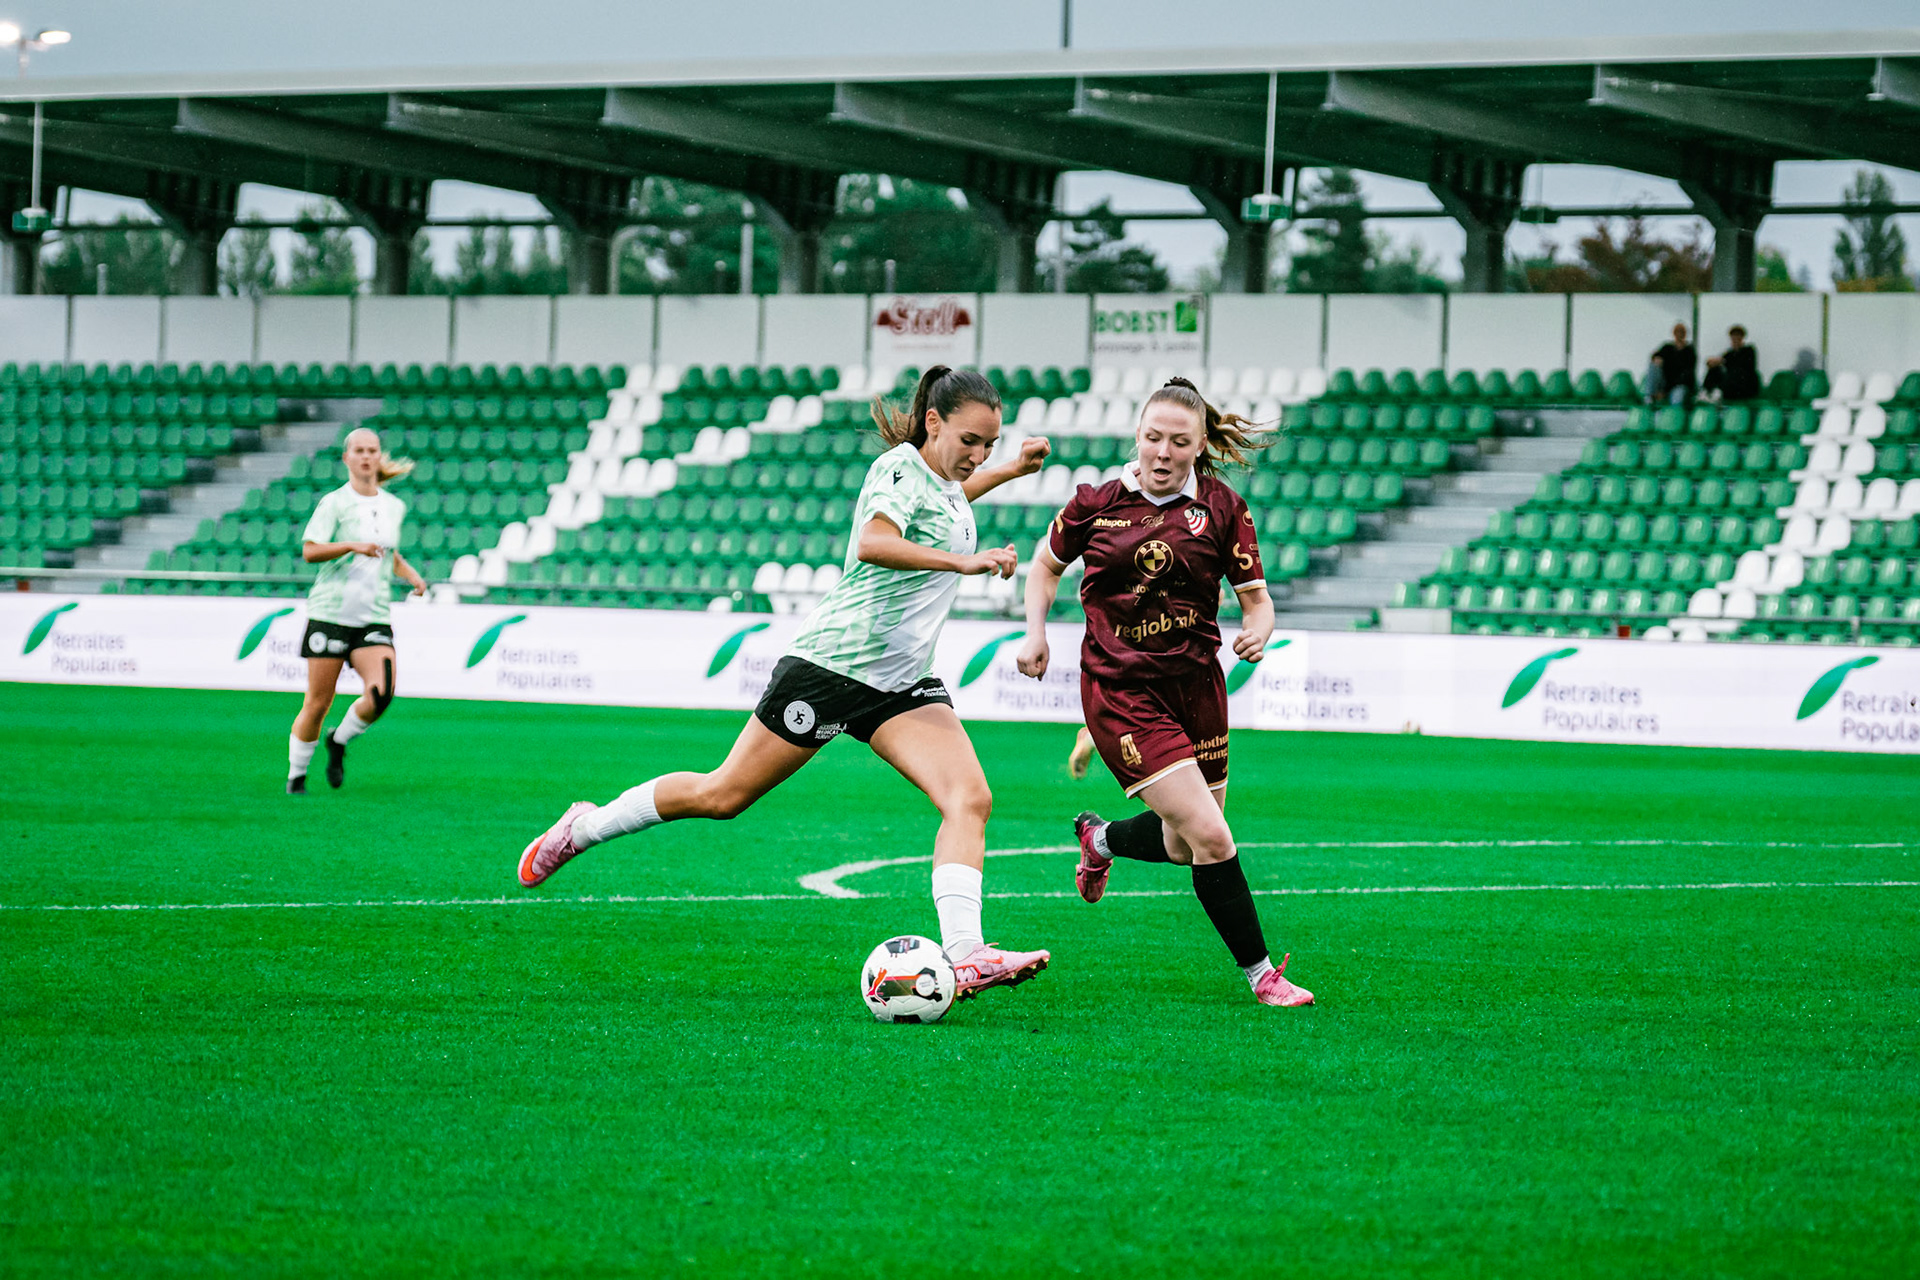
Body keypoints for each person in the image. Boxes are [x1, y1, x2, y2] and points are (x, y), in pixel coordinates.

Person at [517, 366, 1055, 1000]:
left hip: (901, 681)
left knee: (970, 798)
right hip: (831, 668)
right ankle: (583, 826)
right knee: (723, 795)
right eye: (971, 441)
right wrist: (963, 561)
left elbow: (951, 499)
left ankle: (967, 953)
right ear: (933, 422)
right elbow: (874, 542)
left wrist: (1009, 471)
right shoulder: (900, 469)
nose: (978, 455)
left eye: (989, 444)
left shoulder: (944, 481)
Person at [1014, 378, 1313, 1008]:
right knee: (1213, 837)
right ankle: (1263, 975)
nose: (1162, 452)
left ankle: (1100, 839)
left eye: (1179, 441)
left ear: (1200, 446)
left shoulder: (1224, 508)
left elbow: (1257, 603)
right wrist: (1035, 633)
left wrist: (1257, 633)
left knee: (1183, 844)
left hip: (1198, 688)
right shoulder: (1094, 502)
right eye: (1153, 438)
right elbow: (1044, 566)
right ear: (1137, 438)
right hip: (1120, 693)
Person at [288, 427, 426, 795]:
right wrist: (351, 545)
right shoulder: (334, 503)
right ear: (347, 458)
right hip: (331, 613)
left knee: (382, 693)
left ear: (379, 457)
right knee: (318, 702)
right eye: (359, 451)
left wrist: (410, 573)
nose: (366, 457)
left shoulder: (394, 506)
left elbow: (387, 551)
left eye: (373, 450)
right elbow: (310, 551)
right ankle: (296, 777)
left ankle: (339, 740)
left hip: (373, 615)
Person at [1702, 325, 1761, 402]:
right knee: (1715, 370)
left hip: (1745, 385)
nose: (1735, 339)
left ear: (1742, 338)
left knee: (1735, 373)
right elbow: (1718, 361)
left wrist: (1723, 360)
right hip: (1731, 385)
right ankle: (1707, 393)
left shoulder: (1749, 350)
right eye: (1733, 337)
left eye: (1738, 336)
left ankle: (1718, 393)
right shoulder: (1729, 353)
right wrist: (1712, 362)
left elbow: (1742, 365)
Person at [1645, 322, 1697, 405]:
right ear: (1673, 333)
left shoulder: (1690, 351)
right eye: (1677, 332)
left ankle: (1673, 414)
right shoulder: (1667, 348)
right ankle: (1649, 398)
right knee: (1653, 366)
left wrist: (1666, 391)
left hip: (1680, 385)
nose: (1679, 334)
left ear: (1685, 334)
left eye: (1681, 332)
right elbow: (1655, 355)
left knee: (1678, 396)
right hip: (1665, 382)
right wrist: (1657, 359)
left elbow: (1687, 376)